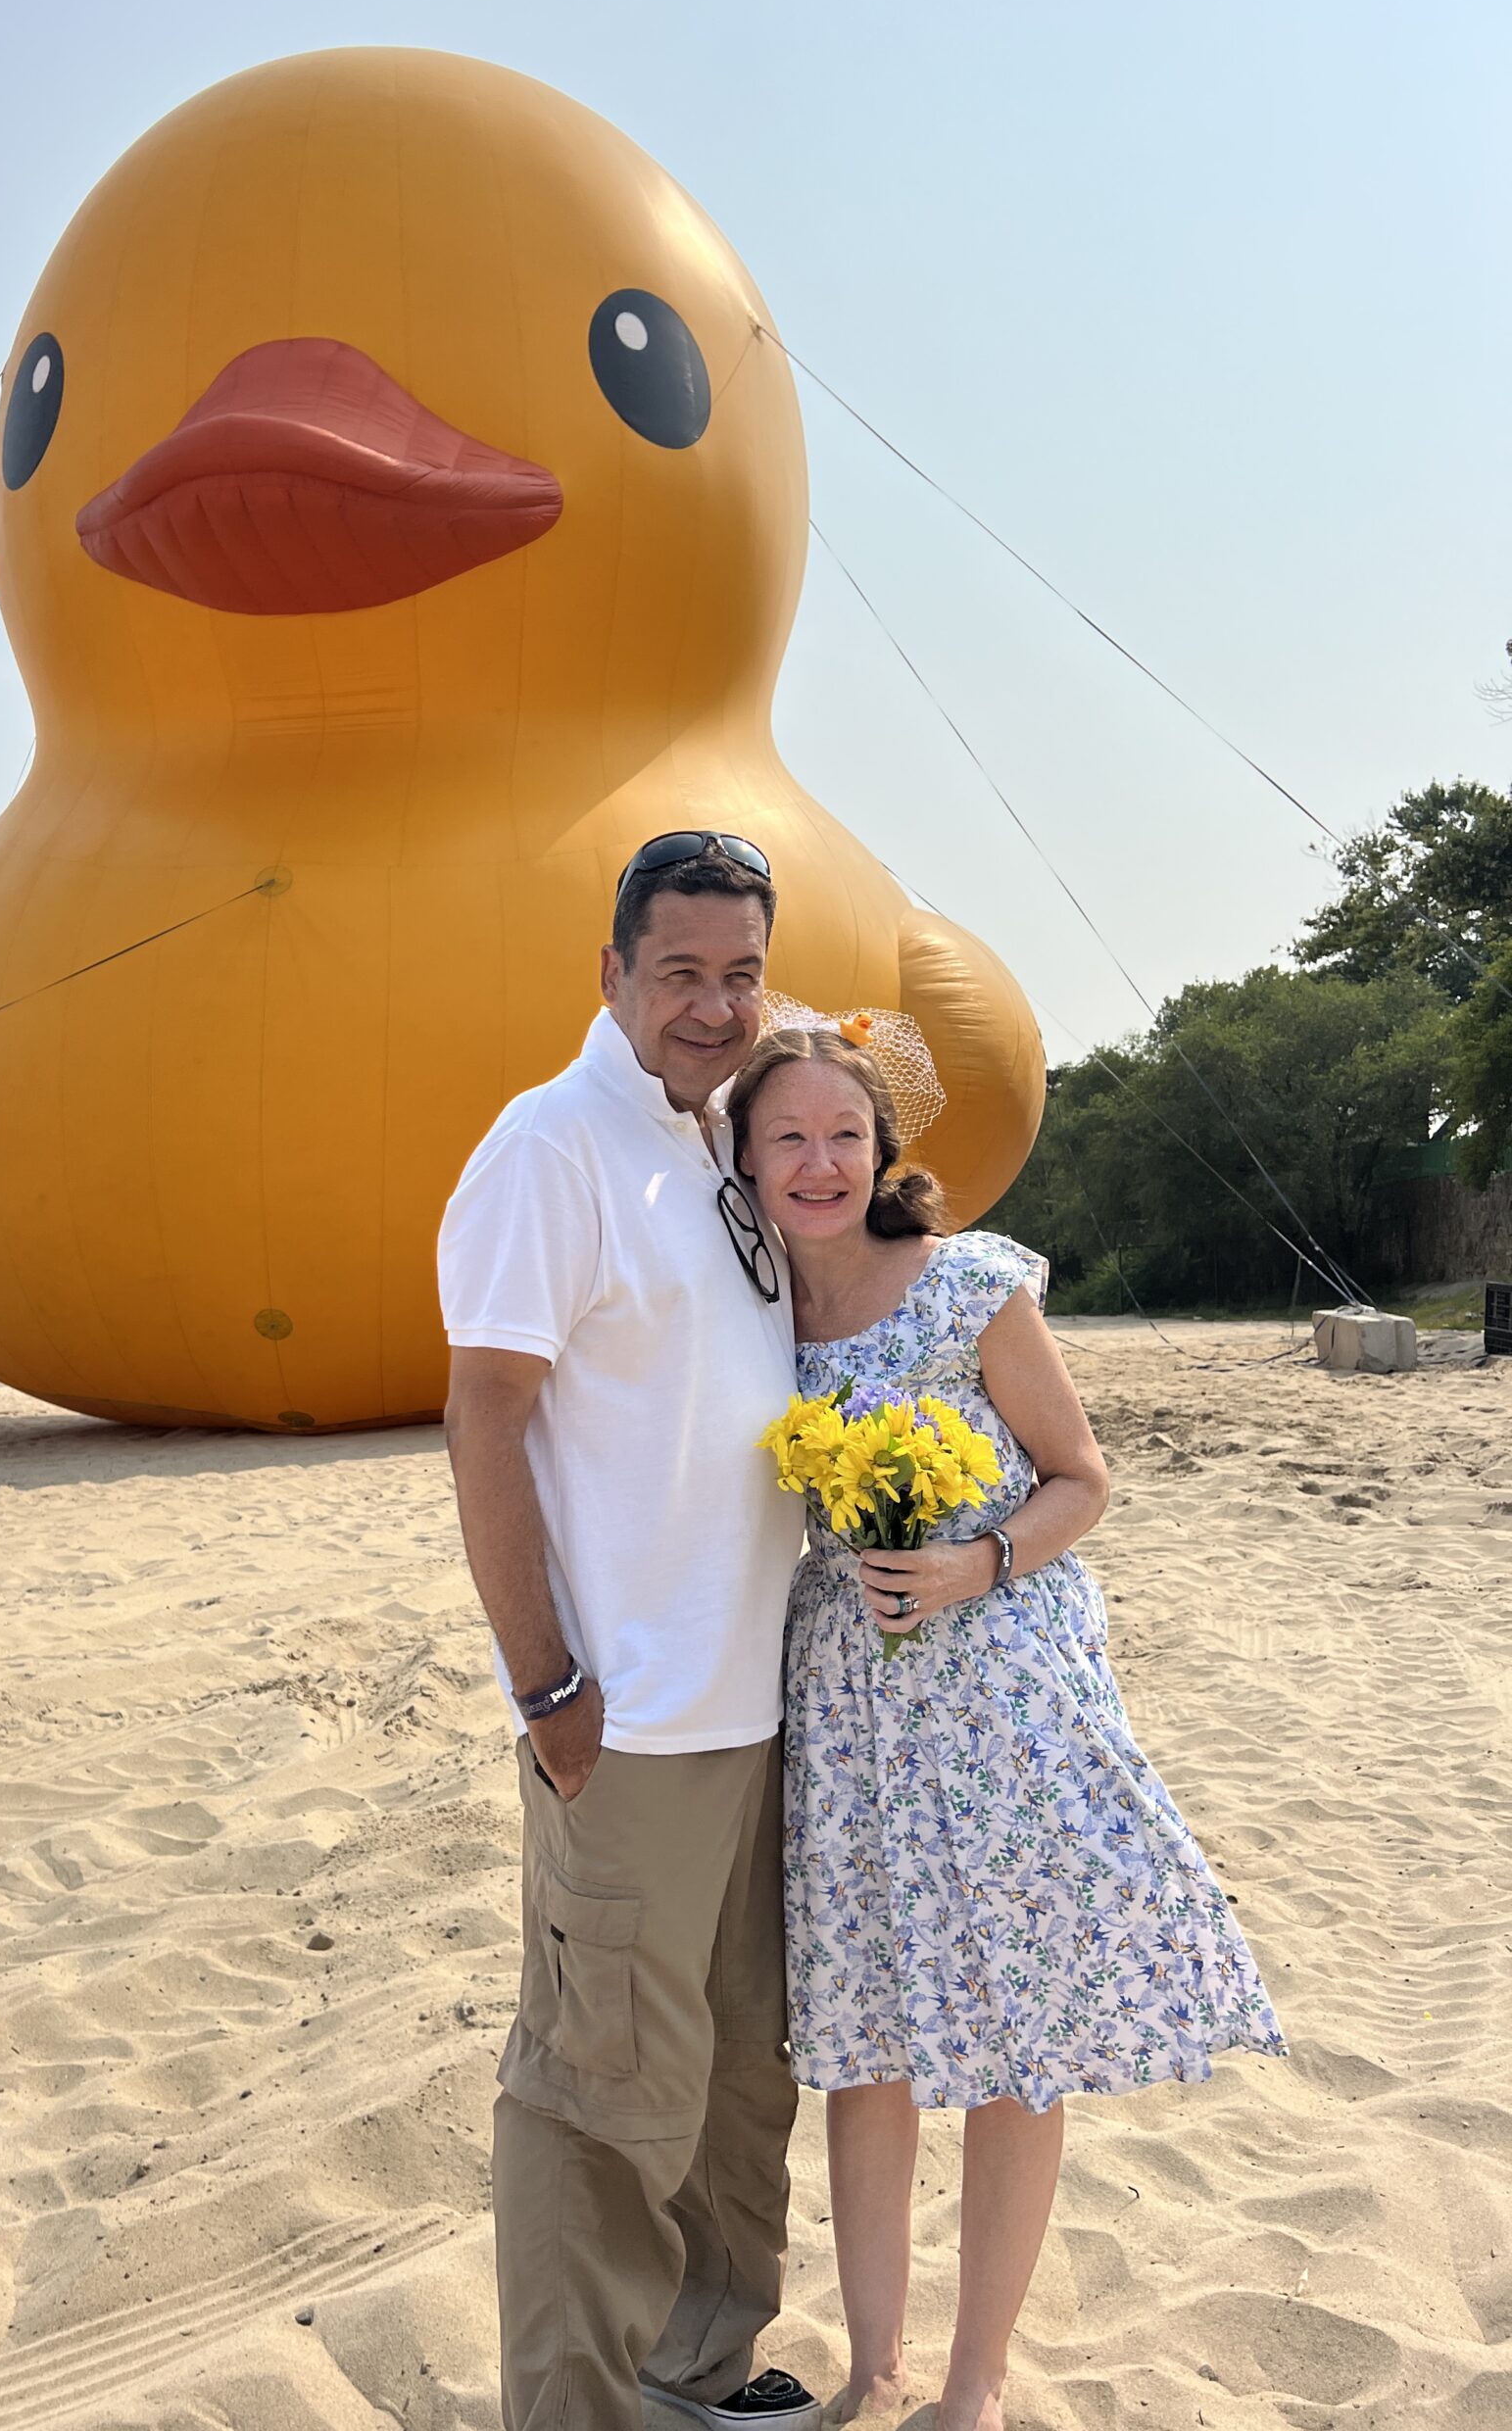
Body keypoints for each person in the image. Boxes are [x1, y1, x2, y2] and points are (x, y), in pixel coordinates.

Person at [727, 1023, 1287, 2431]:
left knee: (1012, 2024)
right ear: (742, 1156)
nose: (818, 1163)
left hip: (1000, 1693)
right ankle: (874, 2367)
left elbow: (1081, 1477)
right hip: (847, 1705)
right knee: (866, 2040)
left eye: (843, 1136)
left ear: (883, 1149)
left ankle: (973, 2381)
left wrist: (976, 1563)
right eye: (785, 1137)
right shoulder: (744, 1317)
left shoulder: (970, 1284)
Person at [438, 831, 822, 2431]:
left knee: (745, 2073)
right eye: (681, 972)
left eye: (742, 975)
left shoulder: (713, 1143)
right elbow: (484, 1419)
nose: (717, 1006)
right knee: (597, 2102)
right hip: (631, 1725)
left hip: (756, 1712)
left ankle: (700, 2368)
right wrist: (551, 1687)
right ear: (611, 974)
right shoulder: (553, 1147)